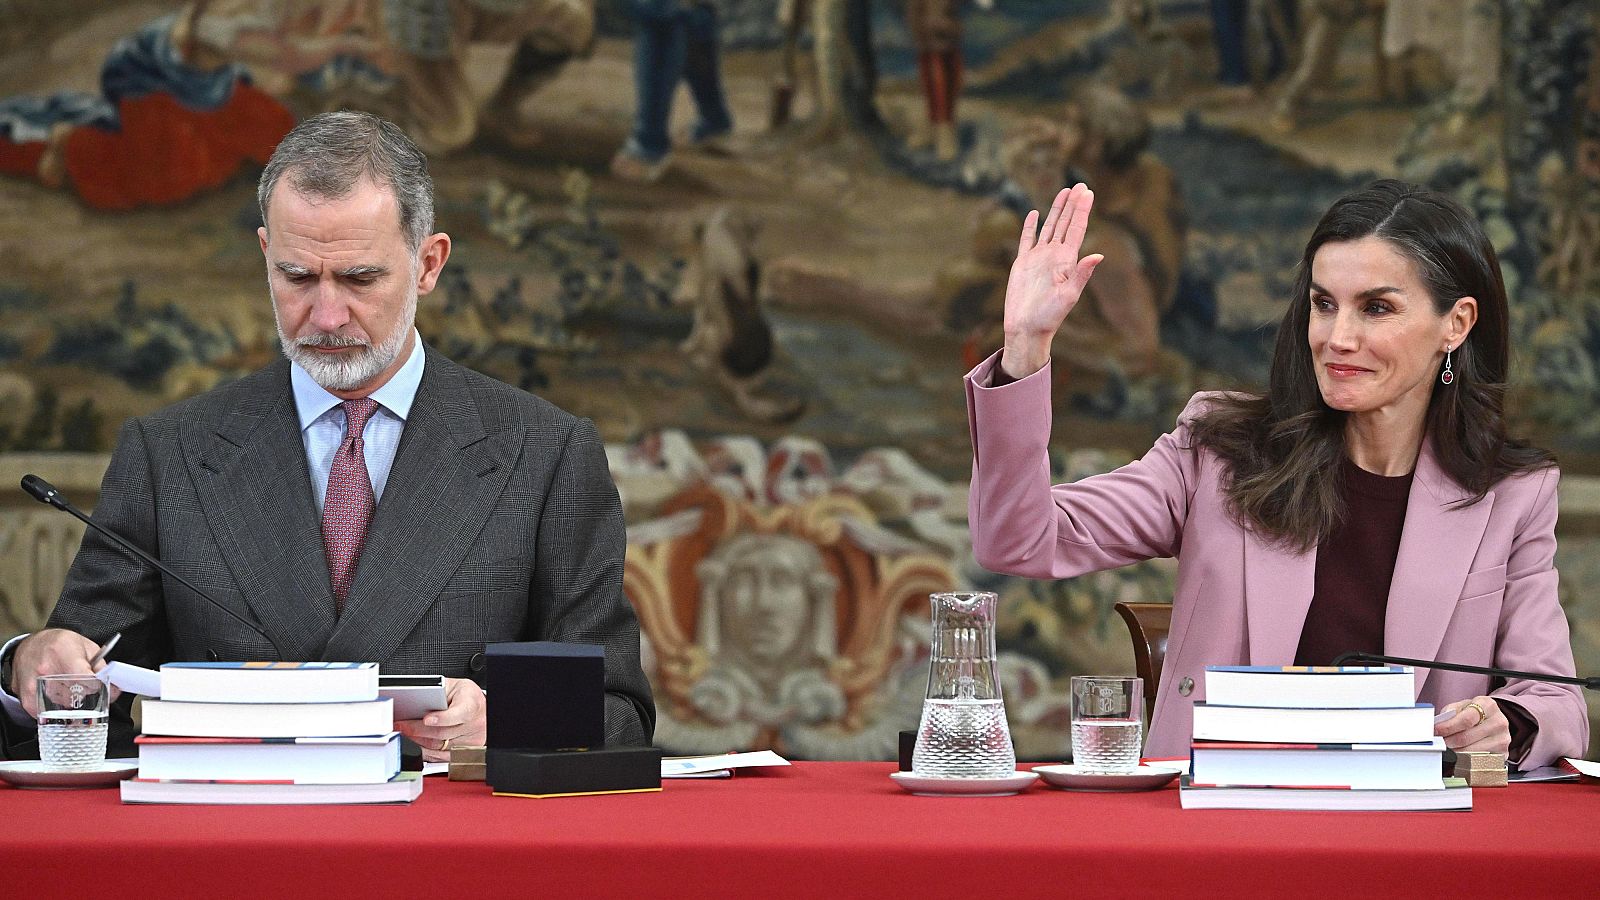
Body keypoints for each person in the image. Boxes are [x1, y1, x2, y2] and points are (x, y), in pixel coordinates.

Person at [0, 111, 654, 761]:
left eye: (360, 278)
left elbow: (618, 711)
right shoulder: (166, 452)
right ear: (265, 256)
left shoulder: (546, 453)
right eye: (298, 277)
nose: (327, 314)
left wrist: (505, 717)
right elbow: (75, 700)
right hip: (235, 849)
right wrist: (28, 666)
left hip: (444, 851)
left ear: (429, 264)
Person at [966, 180, 1589, 769]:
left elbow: (1557, 703)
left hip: (1410, 834)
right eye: (1324, 304)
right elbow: (1018, 538)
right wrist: (1026, 348)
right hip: (1218, 830)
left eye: (1376, 308)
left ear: (1456, 325)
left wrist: (1509, 720)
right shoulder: (1219, 450)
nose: (1338, 337)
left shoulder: (1512, 494)